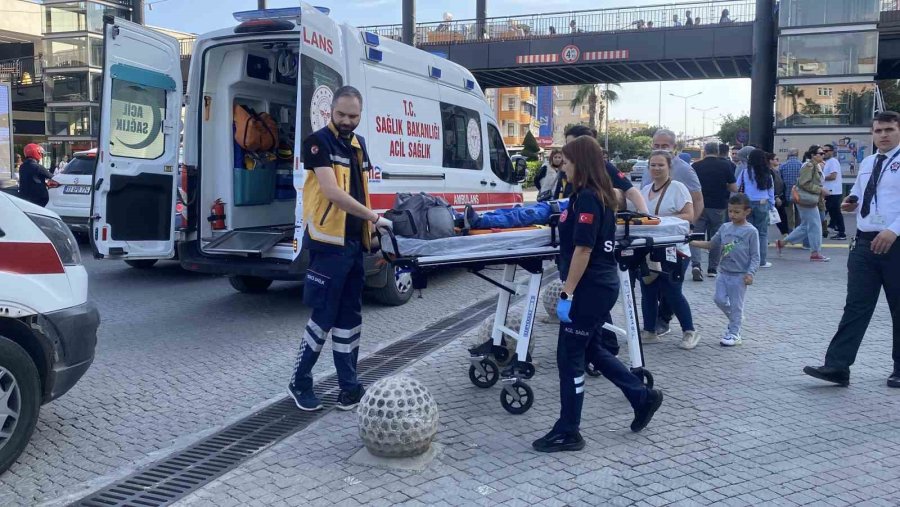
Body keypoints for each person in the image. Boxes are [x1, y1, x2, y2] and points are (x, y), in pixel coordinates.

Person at [532, 136, 663, 453]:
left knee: (569, 357)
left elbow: (583, 249)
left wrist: (567, 293)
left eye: (568, 160)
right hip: (596, 285)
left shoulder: (589, 198)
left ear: (582, 163)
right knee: (591, 349)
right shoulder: (587, 195)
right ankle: (641, 396)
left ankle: (569, 430)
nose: (564, 166)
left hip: (590, 287)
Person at [288, 86, 393, 412]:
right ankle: (299, 382)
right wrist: (374, 217)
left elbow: (362, 192)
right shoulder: (318, 142)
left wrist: (370, 228)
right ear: (329, 112)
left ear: (360, 115)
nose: (347, 121)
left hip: (352, 245)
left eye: (353, 116)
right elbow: (332, 192)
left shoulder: (359, 145)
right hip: (327, 246)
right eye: (341, 115)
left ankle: (349, 388)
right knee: (323, 317)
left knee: (350, 319)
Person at [803, 110, 900, 388]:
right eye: (878, 130)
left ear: (899, 131)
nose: (883, 135)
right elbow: (860, 191)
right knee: (856, 306)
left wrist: (893, 230)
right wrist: (851, 201)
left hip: (895, 241)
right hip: (865, 242)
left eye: (889, 130)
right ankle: (837, 366)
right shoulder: (869, 161)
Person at [639, 150, 699, 350]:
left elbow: (689, 215)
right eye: (653, 165)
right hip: (650, 249)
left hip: (675, 249)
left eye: (660, 165)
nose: (656, 168)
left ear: (669, 167)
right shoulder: (646, 189)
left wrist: (661, 221)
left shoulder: (678, 188)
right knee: (648, 289)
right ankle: (649, 330)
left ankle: (689, 331)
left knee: (672, 291)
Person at [692, 193, 760, 346]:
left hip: (740, 275)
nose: (733, 215)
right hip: (723, 272)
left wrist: (750, 273)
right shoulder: (724, 227)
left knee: (737, 305)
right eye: (730, 211)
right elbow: (711, 244)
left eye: (737, 211)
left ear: (747, 211)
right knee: (719, 299)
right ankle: (737, 318)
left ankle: (734, 333)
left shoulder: (751, 231)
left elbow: (756, 256)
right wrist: (692, 242)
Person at [561, 125, 649, 214]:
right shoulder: (567, 168)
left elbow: (631, 191)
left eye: (571, 144)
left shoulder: (604, 167)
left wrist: (646, 215)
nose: (564, 168)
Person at [691, 141, 738, 281]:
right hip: (719, 206)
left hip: (699, 206)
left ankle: (696, 265)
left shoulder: (695, 166)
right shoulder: (726, 165)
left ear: (704, 151)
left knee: (696, 235)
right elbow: (734, 188)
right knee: (716, 237)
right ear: (717, 151)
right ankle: (712, 269)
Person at [775, 146, 830, 262]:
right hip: (807, 200)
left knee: (806, 226)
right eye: (820, 153)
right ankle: (815, 252)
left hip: (807, 199)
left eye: (823, 153)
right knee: (815, 225)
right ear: (813, 155)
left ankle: (782, 243)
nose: (823, 155)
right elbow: (804, 183)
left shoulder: (814, 166)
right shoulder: (809, 166)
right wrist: (820, 190)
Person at [738, 149, 775, 268]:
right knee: (762, 233)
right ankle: (762, 260)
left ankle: (747, 259)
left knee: (748, 232)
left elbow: (737, 187)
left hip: (747, 204)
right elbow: (771, 190)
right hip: (763, 203)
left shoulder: (745, 172)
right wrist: (771, 204)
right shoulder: (767, 173)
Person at [822, 144, 846, 240]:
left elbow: (833, 176)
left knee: (824, 212)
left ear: (832, 151)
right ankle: (839, 231)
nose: (824, 153)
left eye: (826, 151)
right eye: (823, 151)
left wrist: (821, 177)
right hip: (830, 191)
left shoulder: (833, 161)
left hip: (833, 192)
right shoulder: (827, 162)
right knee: (834, 212)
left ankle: (840, 232)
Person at [778, 148, 803, 230]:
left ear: (788, 155)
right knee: (798, 213)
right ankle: (798, 229)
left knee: (789, 214)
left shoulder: (783, 165)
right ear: (797, 154)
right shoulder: (801, 165)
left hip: (787, 193)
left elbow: (780, 180)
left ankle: (790, 230)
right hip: (798, 193)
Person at [768, 152, 790, 237]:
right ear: (770, 161)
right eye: (776, 159)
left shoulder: (775, 170)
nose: (778, 161)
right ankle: (785, 234)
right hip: (775, 197)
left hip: (779, 196)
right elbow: (771, 186)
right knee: (778, 217)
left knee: (781, 217)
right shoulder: (770, 172)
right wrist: (776, 196)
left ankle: (785, 234)